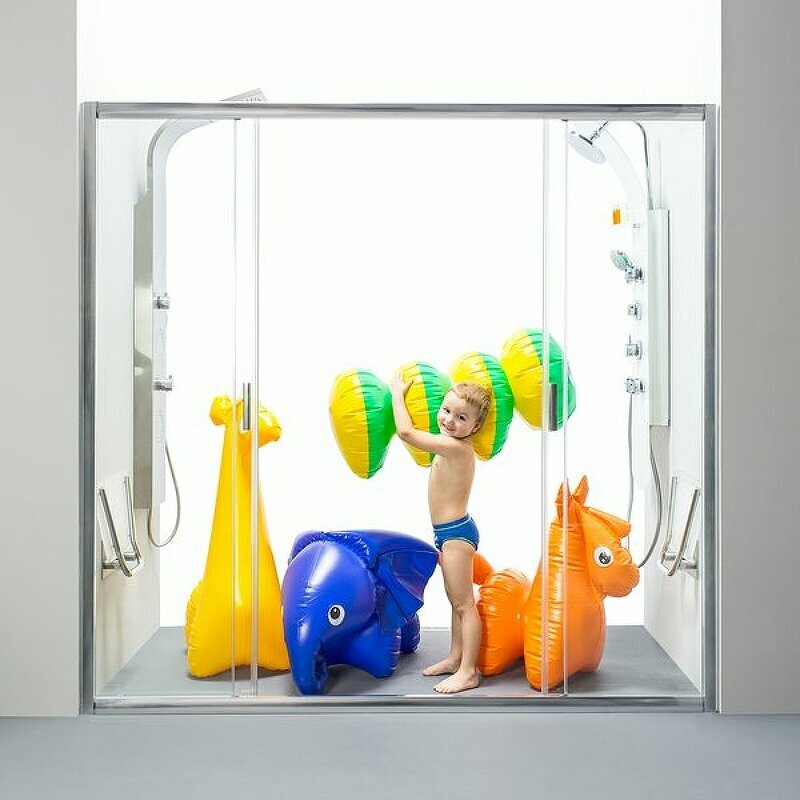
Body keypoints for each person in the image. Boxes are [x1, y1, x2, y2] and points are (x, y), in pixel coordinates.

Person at [390, 375, 491, 693]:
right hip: (448, 533)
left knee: (464, 604)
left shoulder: (456, 448)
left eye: (461, 418)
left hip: (457, 534)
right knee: (454, 601)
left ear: (475, 426)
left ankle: (469, 672)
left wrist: (397, 394)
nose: (449, 420)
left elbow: (406, 433)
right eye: (446, 411)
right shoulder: (448, 443)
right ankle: (455, 657)